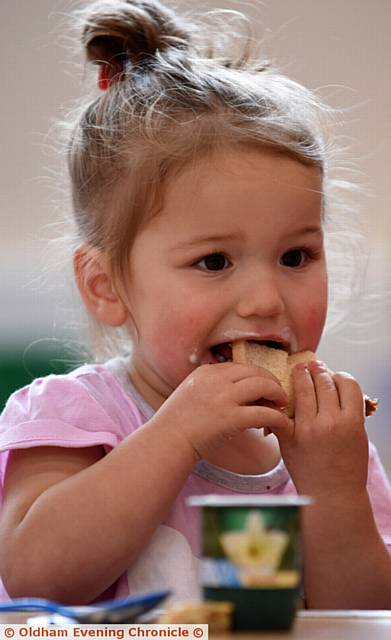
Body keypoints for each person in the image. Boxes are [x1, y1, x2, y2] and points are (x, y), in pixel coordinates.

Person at [1, 0, 391, 609]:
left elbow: (364, 619)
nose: (265, 300)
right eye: (214, 262)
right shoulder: (79, 417)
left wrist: (334, 491)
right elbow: (34, 577)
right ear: (106, 286)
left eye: (295, 257)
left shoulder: (330, 449)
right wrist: (177, 433)